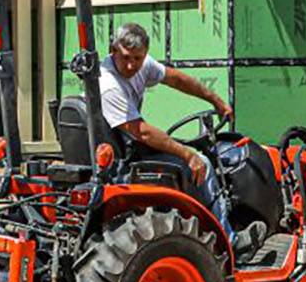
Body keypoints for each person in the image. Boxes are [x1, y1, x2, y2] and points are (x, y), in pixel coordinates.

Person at [98, 22, 232, 198]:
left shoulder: (143, 65)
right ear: (113, 50)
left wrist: (216, 101)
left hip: (131, 147)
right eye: (126, 58)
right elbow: (142, 132)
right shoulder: (109, 85)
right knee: (203, 162)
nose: (131, 65)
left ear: (145, 54)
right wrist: (188, 155)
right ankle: (221, 225)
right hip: (123, 161)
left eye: (137, 59)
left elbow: (177, 80)